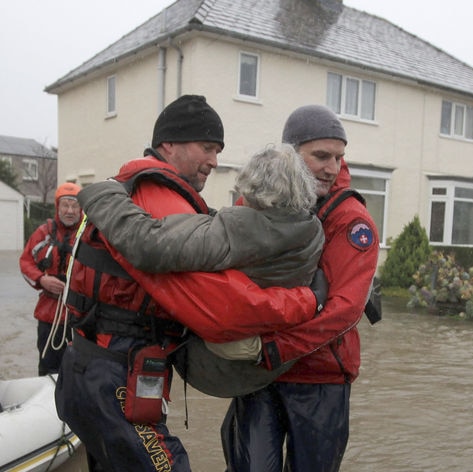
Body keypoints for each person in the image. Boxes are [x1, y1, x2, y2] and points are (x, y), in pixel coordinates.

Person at [54, 95, 325, 472]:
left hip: (88, 365)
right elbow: (221, 310)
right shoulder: (160, 195)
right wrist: (307, 301)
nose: (214, 161)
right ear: (169, 145)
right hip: (116, 371)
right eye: (207, 148)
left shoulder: (132, 184)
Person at [76, 144, 325, 396]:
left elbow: (149, 245)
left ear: (254, 190)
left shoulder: (242, 230)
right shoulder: (312, 229)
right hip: (273, 361)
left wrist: (102, 195)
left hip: (220, 367)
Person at [222, 104, 380, 471]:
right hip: (260, 374)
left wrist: (278, 348)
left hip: (320, 377)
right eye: (321, 156)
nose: (332, 167)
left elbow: (346, 310)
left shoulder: (351, 220)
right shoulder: (255, 205)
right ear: (290, 154)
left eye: (338, 157)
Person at [19, 182, 83, 375]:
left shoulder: (88, 235)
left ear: (81, 209)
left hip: (78, 318)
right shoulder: (43, 233)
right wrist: (42, 279)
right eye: (66, 205)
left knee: (77, 372)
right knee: (48, 369)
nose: (70, 210)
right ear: (58, 207)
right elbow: (25, 263)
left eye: (75, 205)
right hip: (49, 316)